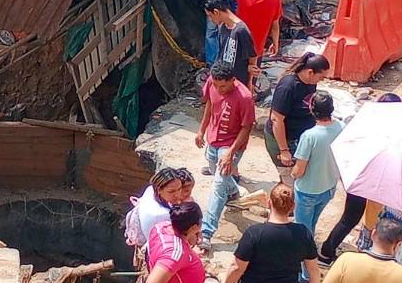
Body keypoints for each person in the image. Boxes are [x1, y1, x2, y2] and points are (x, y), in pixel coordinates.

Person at [319, 93, 400, 264]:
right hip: (377, 180)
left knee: (350, 218)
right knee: (376, 219)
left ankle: (327, 252)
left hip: (358, 176)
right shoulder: (395, 133)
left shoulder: (366, 123)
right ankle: (369, 254)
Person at [195, 64, 255, 246]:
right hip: (213, 140)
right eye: (216, 85)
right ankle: (234, 191)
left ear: (233, 80)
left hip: (230, 145)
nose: (219, 89)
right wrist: (201, 130)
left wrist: (230, 153)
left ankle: (206, 232)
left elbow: (247, 127)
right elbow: (209, 106)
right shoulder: (212, 84)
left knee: (218, 185)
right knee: (215, 170)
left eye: (223, 86)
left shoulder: (244, 97)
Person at [291, 91, 342, 282]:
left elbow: (300, 170)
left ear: (312, 110)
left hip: (307, 191)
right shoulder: (341, 127)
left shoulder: (309, 136)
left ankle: (305, 274)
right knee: (310, 227)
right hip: (328, 187)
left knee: (303, 234)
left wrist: (292, 173)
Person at [269, 53, 331, 184]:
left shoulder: (310, 83)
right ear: (310, 72)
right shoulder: (288, 87)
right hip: (284, 139)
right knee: (290, 181)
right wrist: (284, 150)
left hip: (299, 137)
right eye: (321, 77)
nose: (321, 80)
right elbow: (276, 119)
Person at [219, 0, 283, 60]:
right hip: (256, 50)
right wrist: (275, 43)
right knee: (252, 73)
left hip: (238, 45)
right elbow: (275, 26)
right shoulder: (275, 0)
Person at [131, 168, 196, 244]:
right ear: (159, 190)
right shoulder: (163, 215)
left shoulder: (150, 190)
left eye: (179, 189)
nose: (177, 194)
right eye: (171, 191)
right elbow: (192, 241)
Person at [201, 0, 255, 81]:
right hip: (223, 79)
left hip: (238, 80)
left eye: (210, 16)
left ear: (216, 12)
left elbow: (252, 58)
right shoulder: (221, 26)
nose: (210, 19)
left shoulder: (241, 30)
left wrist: (249, 82)